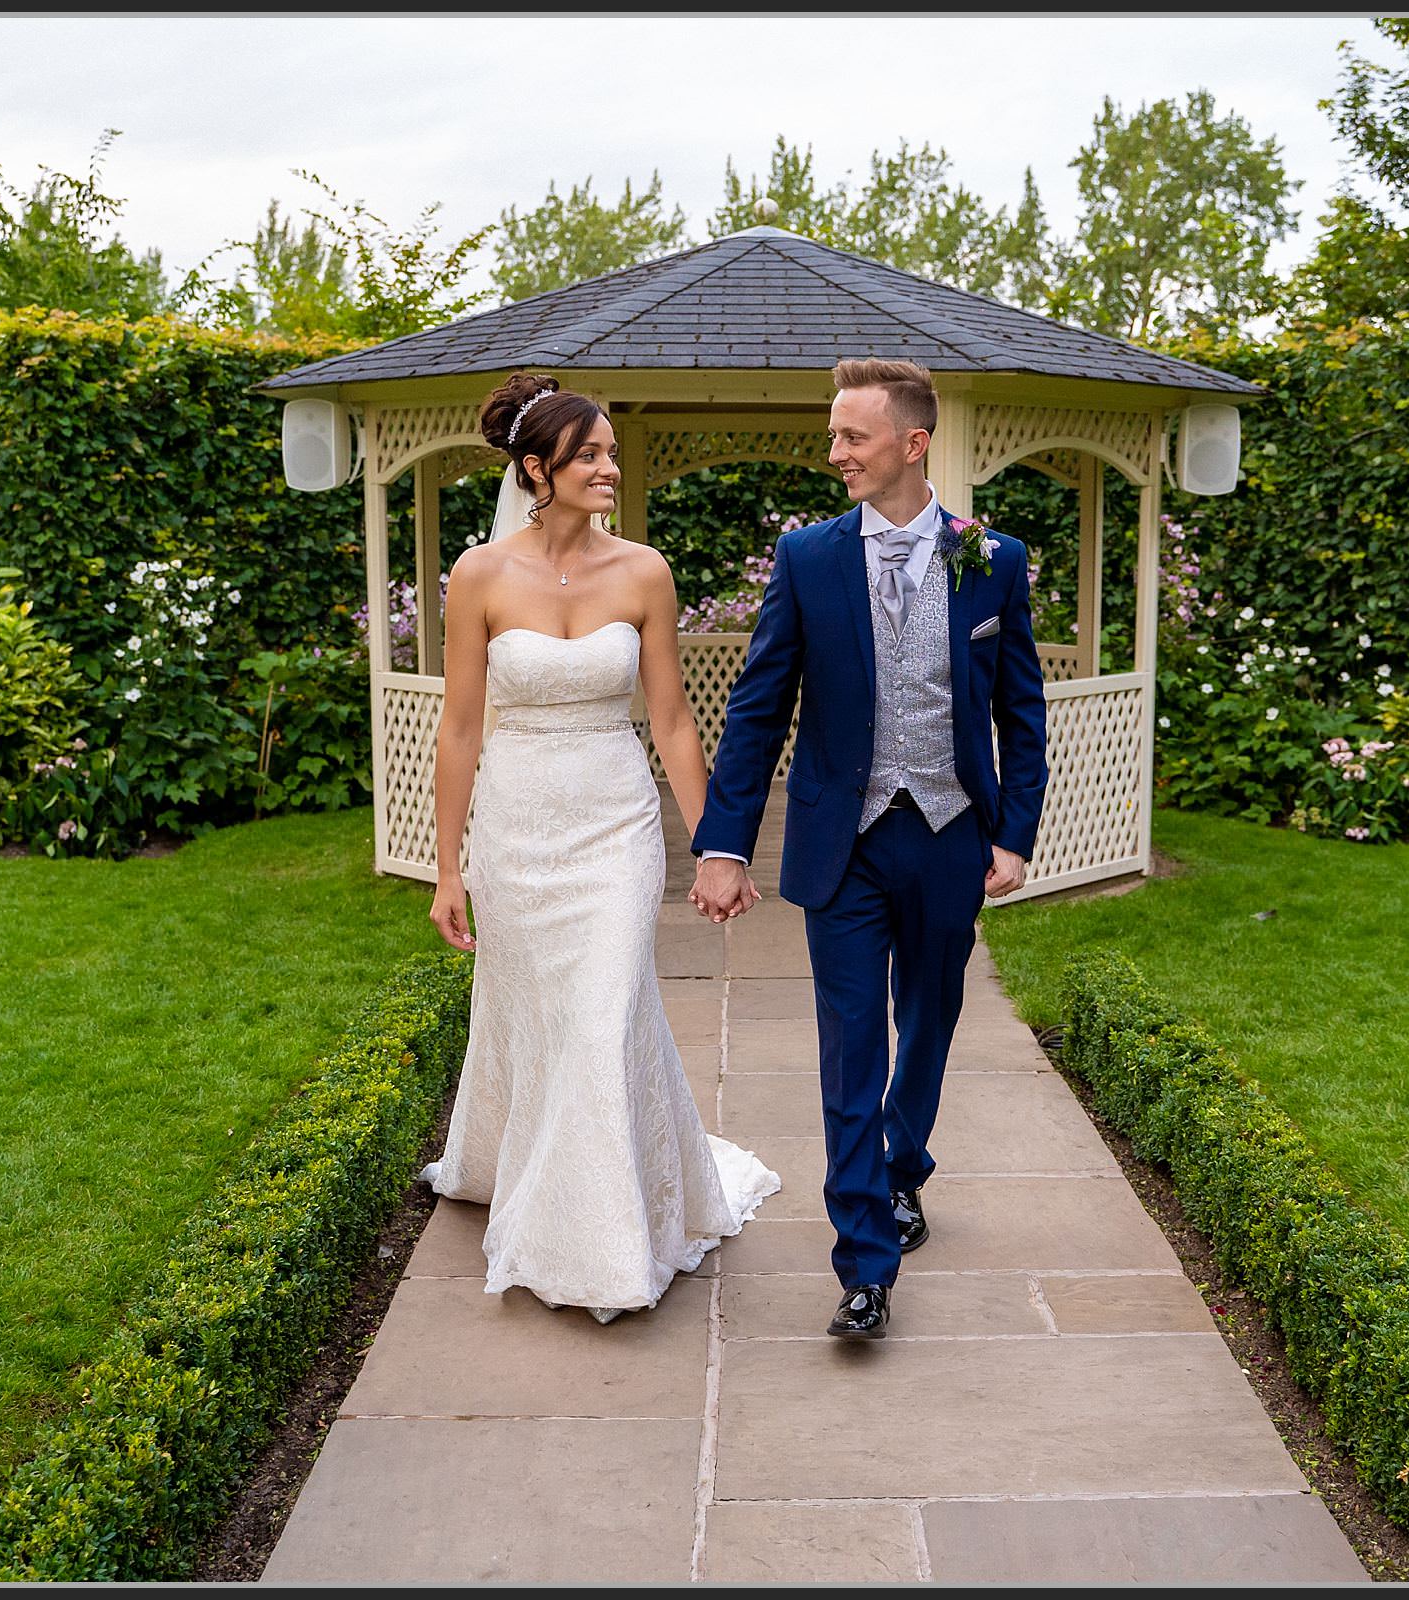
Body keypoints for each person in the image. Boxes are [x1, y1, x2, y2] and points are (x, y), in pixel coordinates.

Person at [689, 358, 1049, 1339]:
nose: (835, 451)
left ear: (912, 443)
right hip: (840, 845)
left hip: (947, 836)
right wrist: (723, 842)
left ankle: (904, 1164)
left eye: (853, 435)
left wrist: (1014, 833)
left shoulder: (992, 560)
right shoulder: (806, 558)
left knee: (929, 1017)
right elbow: (759, 707)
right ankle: (865, 1263)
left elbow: (1021, 705)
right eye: (835, 434)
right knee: (851, 1045)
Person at [420, 372, 780, 1323]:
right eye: (591, 455)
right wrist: (448, 866)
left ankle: (602, 1246)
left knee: (600, 1016)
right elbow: (460, 727)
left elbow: (670, 723)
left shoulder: (645, 572)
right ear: (536, 469)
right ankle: (533, 1175)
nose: (610, 468)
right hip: (518, 826)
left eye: (612, 452)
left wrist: (719, 845)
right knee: (542, 1020)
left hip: (615, 823)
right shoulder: (481, 576)